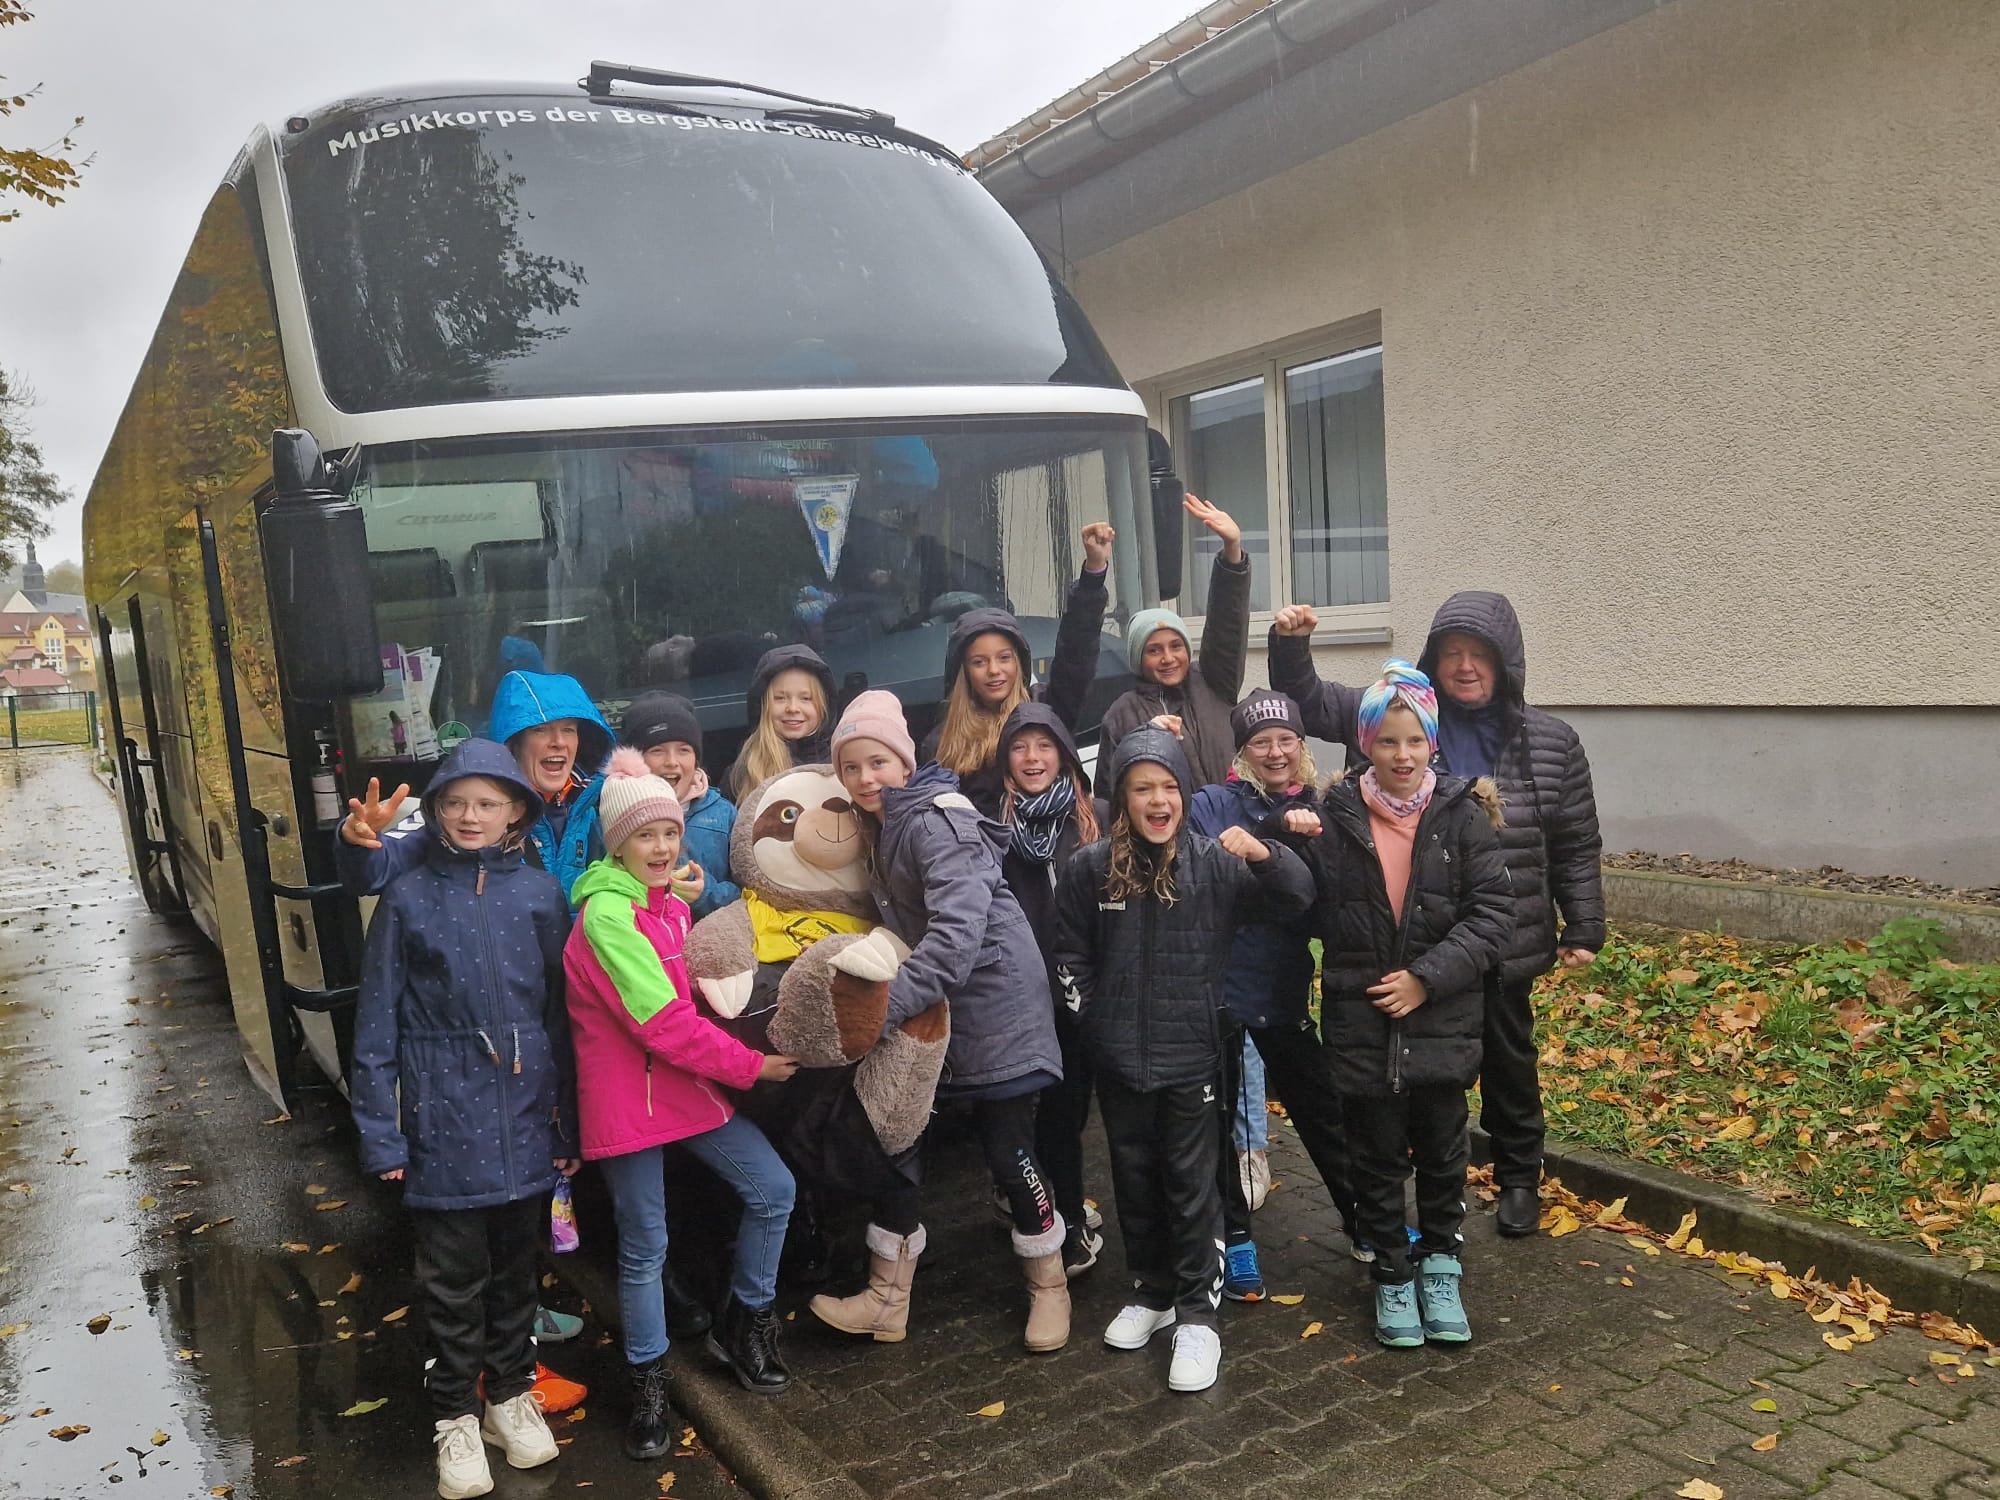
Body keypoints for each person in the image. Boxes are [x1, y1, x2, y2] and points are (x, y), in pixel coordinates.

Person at [1271, 594, 1606, 1237]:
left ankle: (1518, 1177)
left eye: (1480, 654)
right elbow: (1309, 700)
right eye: (1452, 653)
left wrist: (1584, 922)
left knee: (1510, 1062)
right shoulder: (1406, 715)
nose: (1466, 666)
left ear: (1506, 663)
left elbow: (1575, 840)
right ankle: (1411, 1202)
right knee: (1421, 1075)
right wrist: (1291, 645)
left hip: (1501, 936)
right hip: (1412, 941)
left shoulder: (1552, 741)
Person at [347, 739, 577, 1500]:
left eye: (486, 803)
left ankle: (509, 1396)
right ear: (437, 810)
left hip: (526, 1114)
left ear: (516, 811)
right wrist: (382, 1132)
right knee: (451, 1281)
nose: (469, 816)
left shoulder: (540, 894)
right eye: (454, 802)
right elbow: (375, 1023)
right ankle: (455, 1415)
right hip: (442, 1118)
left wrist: (569, 1122)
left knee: (517, 1272)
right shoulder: (408, 896)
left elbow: (563, 1017)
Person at [1052, 727, 1314, 1394]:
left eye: (1169, 787)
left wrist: (1265, 854)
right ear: (1122, 797)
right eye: (1143, 788)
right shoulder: (1088, 868)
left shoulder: (1214, 864)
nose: (1158, 800)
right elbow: (1068, 953)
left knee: (1191, 1185)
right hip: (1119, 1059)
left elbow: (1296, 899)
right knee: (1133, 1177)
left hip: (1193, 1055)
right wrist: (1094, 1023)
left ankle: (1198, 1316)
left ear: (1185, 794)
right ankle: (1153, 1290)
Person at [811, 691, 1071, 1354]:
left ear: (904, 763)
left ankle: (1050, 1284)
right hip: (941, 1007)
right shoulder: (883, 825)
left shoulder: (936, 821)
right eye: (850, 768)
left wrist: (883, 1009)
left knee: (1008, 1149)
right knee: (899, 1139)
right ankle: (886, 1299)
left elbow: (955, 938)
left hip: (999, 1004)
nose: (865, 777)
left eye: (877, 762)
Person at [565, 750, 801, 1458]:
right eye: (646, 835)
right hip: (628, 1098)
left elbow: (690, 1000)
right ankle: (648, 1386)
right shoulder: (608, 916)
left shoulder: (666, 905)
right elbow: (663, 1023)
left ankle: (744, 1324)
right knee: (645, 1247)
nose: (663, 847)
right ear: (618, 844)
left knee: (773, 1189)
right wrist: (753, 1066)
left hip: (681, 1084)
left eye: (670, 832)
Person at [1315, 662, 1511, 1347]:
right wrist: (1273, 846)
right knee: (1373, 1156)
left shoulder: (1462, 816)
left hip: (1442, 1018)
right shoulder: (1336, 819)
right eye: (1388, 741)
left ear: (1433, 742)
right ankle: (1392, 1274)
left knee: (1442, 1151)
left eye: (1415, 741)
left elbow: (1493, 917)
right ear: (1366, 744)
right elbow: (1306, 904)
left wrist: (1426, 978)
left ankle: (1440, 1264)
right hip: (1362, 1019)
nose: (1402, 756)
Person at [1188, 689, 1364, 1299]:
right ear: (1242, 752)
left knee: (1325, 1112)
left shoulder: (1322, 809)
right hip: (1218, 990)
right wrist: (1270, 835)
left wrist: (1283, 848)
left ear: (1301, 745)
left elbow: (1315, 903)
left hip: (1281, 989)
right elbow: (1210, 876)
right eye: (1261, 742)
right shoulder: (1211, 803)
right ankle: (1235, 1240)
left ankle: (1365, 1222)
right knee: (1219, 1125)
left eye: (1286, 739)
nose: (1276, 752)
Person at [337, 669, 615, 912]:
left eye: (569, 730)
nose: (558, 742)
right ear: (514, 741)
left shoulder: (603, 801)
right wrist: (358, 842)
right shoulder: (463, 806)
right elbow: (370, 875)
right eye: (541, 729)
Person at [994, 702, 1107, 1279]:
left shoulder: (1096, 817)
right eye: (1020, 747)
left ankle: (1067, 1205)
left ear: (1064, 753)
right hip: (1024, 993)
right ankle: (1059, 1216)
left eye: (1044, 745)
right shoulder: (993, 828)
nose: (1033, 758)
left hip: (1087, 988)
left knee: (1076, 1108)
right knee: (1043, 1114)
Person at [921, 521, 1115, 816]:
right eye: (979, 662)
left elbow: (1076, 653)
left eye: (1004, 658)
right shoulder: (939, 742)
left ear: (1019, 662)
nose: (994, 670)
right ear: (964, 671)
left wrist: (1093, 575)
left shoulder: (1046, 709)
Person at [1096, 496, 1249, 790]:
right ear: (1138, 658)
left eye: (1176, 646)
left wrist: (1232, 550)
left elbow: (1227, 625)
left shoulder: (1215, 682)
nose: (1168, 658)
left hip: (1231, 818)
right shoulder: (1121, 715)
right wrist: (1146, 739)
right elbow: (1110, 791)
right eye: (1154, 650)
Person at [621, 691, 737, 919]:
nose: (672, 762)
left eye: (684, 750)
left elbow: (749, 894)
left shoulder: (723, 814)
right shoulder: (614, 815)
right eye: (657, 751)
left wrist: (704, 894)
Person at [727, 644, 835, 800]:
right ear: (762, 706)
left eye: (805, 698)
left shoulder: (842, 759)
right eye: (780, 698)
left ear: (824, 705)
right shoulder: (743, 771)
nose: (793, 708)